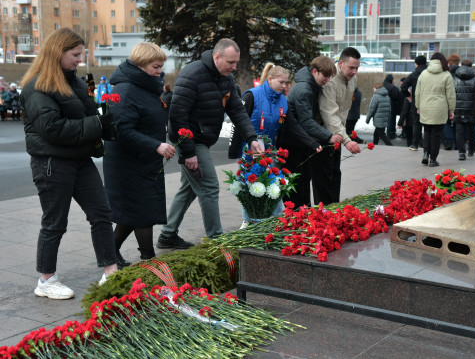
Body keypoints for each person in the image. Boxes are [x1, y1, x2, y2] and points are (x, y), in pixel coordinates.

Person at [20, 28, 118, 299]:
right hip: (51, 163)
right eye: (75, 54)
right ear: (58, 52)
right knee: (55, 223)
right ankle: (46, 280)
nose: (80, 59)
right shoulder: (37, 86)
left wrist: (106, 121)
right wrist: (97, 123)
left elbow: (88, 115)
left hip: (79, 159)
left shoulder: (73, 81)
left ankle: (110, 272)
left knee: (101, 213)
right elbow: (53, 129)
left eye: (81, 53)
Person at [159, 38, 263, 246]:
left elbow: (237, 110)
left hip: (202, 140)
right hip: (190, 140)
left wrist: (251, 138)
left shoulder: (226, 78)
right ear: (217, 57)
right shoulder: (192, 75)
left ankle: (167, 235)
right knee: (209, 186)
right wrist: (188, 153)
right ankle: (217, 240)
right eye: (231, 62)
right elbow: (178, 117)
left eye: (236, 63)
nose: (234, 67)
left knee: (188, 189)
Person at [103, 42, 173, 267]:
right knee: (142, 211)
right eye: (155, 66)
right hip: (128, 163)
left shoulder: (144, 86)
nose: (159, 71)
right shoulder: (125, 90)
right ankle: (149, 260)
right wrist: (156, 145)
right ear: (141, 64)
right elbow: (121, 130)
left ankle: (111, 252)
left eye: (161, 66)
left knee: (133, 212)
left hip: (143, 161)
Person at [229, 63, 321, 228]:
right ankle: (248, 221)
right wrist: (235, 150)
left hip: (269, 150)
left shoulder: (283, 102)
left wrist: (311, 142)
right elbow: (239, 123)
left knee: (273, 185)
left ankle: (277, 219)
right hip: (250, 149)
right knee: (248, 185)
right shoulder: (251, 95)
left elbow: (291, 125)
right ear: (270, 79)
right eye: (281, 82)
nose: (284, 86)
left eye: (286, 83)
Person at [278, 55, 340, 208]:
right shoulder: (305, 89)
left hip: (299, 141)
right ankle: (295, 217)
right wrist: (329, 136)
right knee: (298, 185)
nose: (327, 80)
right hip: (292, 142)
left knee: (303, 182)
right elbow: (306, 122)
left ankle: (301, 213)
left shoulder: (309, 85)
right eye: (325, 76)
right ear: (314, 71)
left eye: (330, 76)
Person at [317, 47, 362, 205]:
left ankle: (334, 208)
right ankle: (323, 212)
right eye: (351, 67)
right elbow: (329, 115)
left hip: (338, 133)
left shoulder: (352, 79)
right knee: (323, 176)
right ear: (341, 63)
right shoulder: (330, 80)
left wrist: (343, 135)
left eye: (357, 68)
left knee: (335, 173)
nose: (354, 72)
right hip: (323, 134)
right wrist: (347, 140)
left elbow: (343, 111)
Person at [415, 52, 456, 167]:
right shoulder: (447, 75)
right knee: (436, 135)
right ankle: (433, 159)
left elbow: (417, 92)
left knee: (427, 132)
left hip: (425, 107)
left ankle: (425, 154)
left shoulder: (423, 74)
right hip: (440, 108)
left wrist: (418, 106)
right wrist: (451, 110)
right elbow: (451, 95)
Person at [452, 59, 475, 161]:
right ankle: (471, 149)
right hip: (472, 109)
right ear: (471, 66)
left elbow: (450, 94)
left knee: (459, 131)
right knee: (471, 130)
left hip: (458, 108)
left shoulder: (454, 78)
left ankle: (461, 152)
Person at [401, 55, 427, 151]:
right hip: (429, 102)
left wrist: (408, 96)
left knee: (416, 124)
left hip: (416, 102)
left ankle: (415, 144)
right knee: (429, 124)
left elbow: (403, 87)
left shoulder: (413, 75)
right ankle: (429, 144)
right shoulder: (430, 73)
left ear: (416, 63)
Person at [443, 53, 461, 150]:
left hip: (447, 102)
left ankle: (449, 141)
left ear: (449, 63)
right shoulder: (461, 73)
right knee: (458, 124)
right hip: (459, 102)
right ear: (458, 62)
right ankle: (457, 145)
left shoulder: (446, 74)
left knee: (446, 122)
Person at [383, 74, 401, 139]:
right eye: (393, 79)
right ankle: (390, 133)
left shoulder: (382, 86)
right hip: (392, 106)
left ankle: (381, 134)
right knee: (391, 120)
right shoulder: (393, 88)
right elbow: (396, 97)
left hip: (382, 107)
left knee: (383, 121)